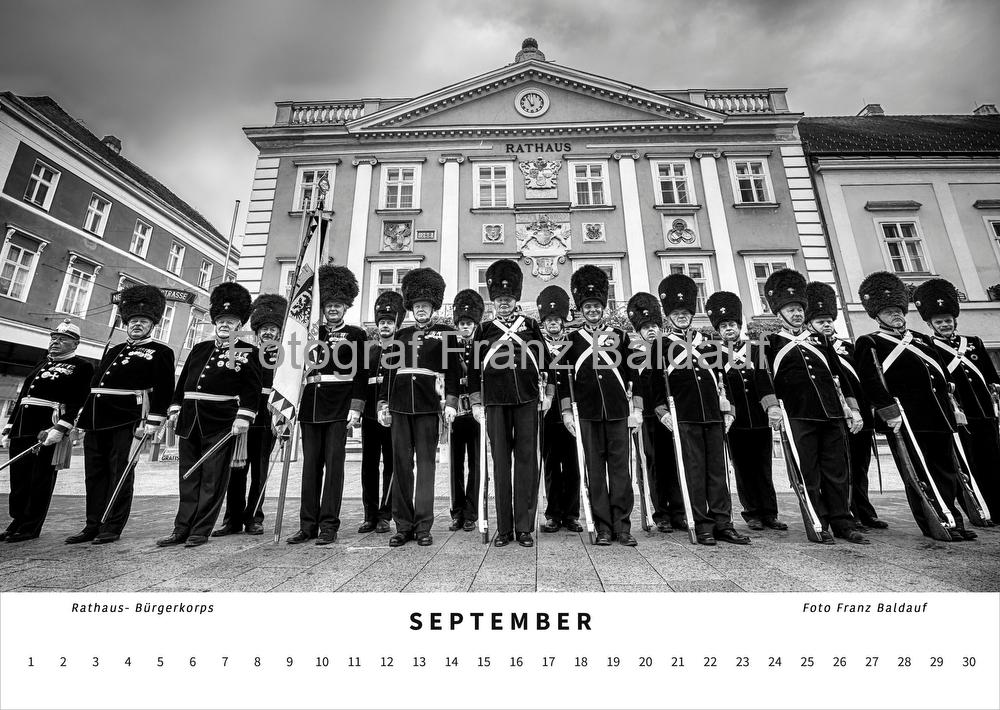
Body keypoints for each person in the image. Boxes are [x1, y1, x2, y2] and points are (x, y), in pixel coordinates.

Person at [853, 272, 973, 541]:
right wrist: (888, 412)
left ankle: (953, 519)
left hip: (939, 415)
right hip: (907, 418)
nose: (895, 315)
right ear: (877, 317)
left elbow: (942, 377)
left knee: (947, 470)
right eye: (887, 311)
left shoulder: (922, 339)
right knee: (919, 472)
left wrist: (952, 403)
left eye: (897, 310)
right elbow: (871, 381)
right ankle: (934, 522)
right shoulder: (870, 342)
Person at [762, 269, 867, 545]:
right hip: (798, 414)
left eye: (799, 309)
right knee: (808, 471)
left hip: (831, 413)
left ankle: (843, 522)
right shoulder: (767, 342)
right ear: (778, 315)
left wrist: (853, 409)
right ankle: (817, 521)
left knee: (837, 470)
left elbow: (841, 376)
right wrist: (772, 407)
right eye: (790, 309)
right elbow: (763, 379)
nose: (797, 314)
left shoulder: (820, 340)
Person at [157, 283, 261, 548]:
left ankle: (200, 530)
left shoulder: (249, 353)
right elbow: (184, 384)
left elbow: (252, 390)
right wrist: (174, 407)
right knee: (188, 477)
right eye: (221, 320)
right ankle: (181, 528)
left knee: (212, 479)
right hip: (190, 421)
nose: (225, 324)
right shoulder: (199, 349)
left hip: (221, 423)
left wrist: (244, 417)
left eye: (231, 321)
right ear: (215, 322)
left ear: (240, 324)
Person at [68, 286, 175, 545]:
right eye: (134, 321)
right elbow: (97, 385)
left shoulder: (161, 352)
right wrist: (83, 417)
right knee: (94, 474)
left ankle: (112, 525)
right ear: (126, 323)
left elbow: (164, 388)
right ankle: (92, 523)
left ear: (153, 326)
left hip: (128, 419)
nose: (137, 324)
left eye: (144, 321)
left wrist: (154, 420)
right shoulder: (114, 350)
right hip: (97, 418)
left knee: (120, 473)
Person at [651, 275, 749, 546]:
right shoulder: (660, 346)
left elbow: (722, 379)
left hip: (712, 415)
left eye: (685, 313)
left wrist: (728, 410)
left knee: (718, 471)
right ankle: (702, 523)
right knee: (693, 471)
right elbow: (655, 387)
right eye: (676, 313)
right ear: (669, 317)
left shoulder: (708, 341)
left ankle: (723, 523)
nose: (681, 317)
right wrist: (663, 413)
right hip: (684, 417)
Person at [468, 259, 554, 548]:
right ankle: (503, 528)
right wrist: (477, 403)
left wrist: (549, 394)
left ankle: (524, 526)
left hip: (527, 399)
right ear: (493, 301)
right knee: (501, 464)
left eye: (508, 298)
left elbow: (546, 363)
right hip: (495, 402)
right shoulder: (484, 330)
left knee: (527, 463)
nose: (504, 303)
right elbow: (472, 370)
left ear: (515, 299)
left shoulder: (530, 326)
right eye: (499, 299)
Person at [377, 268, 459, 547]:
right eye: (416, 306)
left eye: (425, 306)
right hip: (400, 407)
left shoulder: (446, 334)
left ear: (433, 307)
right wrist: (383, 404)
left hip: (427, 406)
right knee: (401, 467)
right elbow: (388, 373)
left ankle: (423, 525)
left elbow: (453, 371)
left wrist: (450, 403)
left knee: (425, 468)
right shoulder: (401, 335)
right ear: (411, 309)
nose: (421, 310)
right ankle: (402, 525)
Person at [558, 264, 638, 546]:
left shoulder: (621, 336)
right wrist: (567, 410)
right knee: (594, 470)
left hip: (617, 412)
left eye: (596, 305)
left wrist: (636, 409)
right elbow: (562, 378)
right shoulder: (570, 339)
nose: (592, 310)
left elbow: (633, 375)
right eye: (587, 306)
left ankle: (622, 526)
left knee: (620, 471)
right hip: (588, 413)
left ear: (603, 307)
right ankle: (603, 526)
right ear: (581, 309)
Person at [287, 265, 367, 546]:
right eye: (329, 304)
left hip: (339, 405)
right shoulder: (310, 331)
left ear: (345, 307)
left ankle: (329, 525)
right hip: (311, 404)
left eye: (338, 305)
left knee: (334, 468)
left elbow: (361, 374)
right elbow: (293, 369)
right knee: (310, 468)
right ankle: (306, 524)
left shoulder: (356, 335)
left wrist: (356, 408)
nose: (333, 309)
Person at [914, 277, 1000, 520]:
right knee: (968, 465)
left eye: (948, 321)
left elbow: (990, 376)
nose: (944, 325)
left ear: (955, 321)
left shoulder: (973, 343)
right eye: (939, 322)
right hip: (958, 415)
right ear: (931, 324)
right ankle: (979, 509)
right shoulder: (929, 346)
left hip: (984, 411)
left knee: (993, 462)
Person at [804, 281, 886, 530]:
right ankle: (845, 510)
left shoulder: (849, 347)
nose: (826, 325)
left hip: (859, 415)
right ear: (810, 325)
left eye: (829, 320)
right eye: (820, 322)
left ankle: (864, 510)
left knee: (860, 466)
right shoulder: (812, 349)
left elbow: (865, 380)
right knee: (839, 468)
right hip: (834, 416)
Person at [1, 320, 93, 542]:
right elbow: (23, 396)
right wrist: (9, 428)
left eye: (62, 340)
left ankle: (31, 526)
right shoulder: (42, 363)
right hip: (23, 425)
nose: (56, 342)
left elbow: (78, 399)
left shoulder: (82, 367)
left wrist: (61, 427)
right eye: (53, 338)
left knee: (39, 478)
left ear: (75, 344)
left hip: (47, 427)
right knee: (19, 477)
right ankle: (17, 520)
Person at [705, 290, 786, 532]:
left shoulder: (756, 348)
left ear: (738, 326)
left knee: (763, 467)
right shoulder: (714, 354)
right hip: (735, 421)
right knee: (742, 468)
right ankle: (751, 513)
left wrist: (772, 407)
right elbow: (719, 387)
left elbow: (763, 379)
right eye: (724, 326)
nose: (728, 329)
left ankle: (769, 513)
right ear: (718, 331)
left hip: (758, 417)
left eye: (731, 324)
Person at [213, 294, 286, 537]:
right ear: (257, 330)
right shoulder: (244, 351)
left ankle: (254, 516)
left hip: (268, 417)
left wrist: (283, 417)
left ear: (278, 332)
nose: (268, 332)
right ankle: (232, 518)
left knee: (259, 471)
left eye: (273, 328)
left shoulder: (285, 357)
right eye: (264, 328)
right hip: (242, 417)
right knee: (236, 469)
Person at [626, 291, 685, 533]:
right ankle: (660, 512)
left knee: (674, 462)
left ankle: (680, 511)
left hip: (669, 415)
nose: (652, 330)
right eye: (647, 326)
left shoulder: (671, 348)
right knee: (652, 465)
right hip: (646, 417)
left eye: (655, 325)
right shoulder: (631, 352)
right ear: (639, 330)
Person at [537, 285, 582, 534]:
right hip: (547, 413)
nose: (553, 323)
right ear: (544, 322)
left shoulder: (573, 342)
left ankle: (572, 514)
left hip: (572, 410)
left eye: (556, 319)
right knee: (552, 464)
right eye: (549, 320)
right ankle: (553, 513)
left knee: (573, 464)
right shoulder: (538, 344)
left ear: (563, 320)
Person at [358, 291, 403, 534]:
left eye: (389, 322)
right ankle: (370, 513)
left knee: (391, 465)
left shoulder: (401, 350)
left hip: (391, 416)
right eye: (382, 322)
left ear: (396, 325)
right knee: (369, 465)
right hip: (369, 417)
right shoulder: (369, 351)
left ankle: (386, 514)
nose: (385, 326)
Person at [448, 289, 484, 532]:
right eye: (461, 323)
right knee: (455, 464)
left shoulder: (481, 346)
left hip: (475, 410)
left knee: (477, 462)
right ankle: (457, 510)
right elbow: (447, 376)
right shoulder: (449, 345)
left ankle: (472, 510)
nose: (465, 326)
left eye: (469, 323)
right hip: (455, 411)